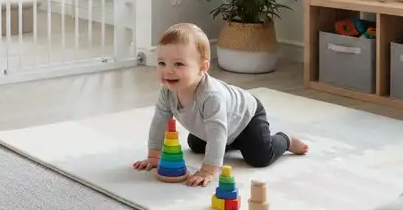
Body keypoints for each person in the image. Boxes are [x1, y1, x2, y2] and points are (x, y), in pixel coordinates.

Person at [132, 22, 308, 187]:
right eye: (161, 63)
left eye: (178, 64)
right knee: (196, 144)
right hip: (223, 124)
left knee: (259, 157)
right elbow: (160, 121)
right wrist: (154, 155)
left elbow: (216, 134)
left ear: (202, 68)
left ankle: (286, 140)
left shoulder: (210, 96)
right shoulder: (167, 91)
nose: (167, 70)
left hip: (247, 117)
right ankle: (233, 141)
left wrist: (208, 170)